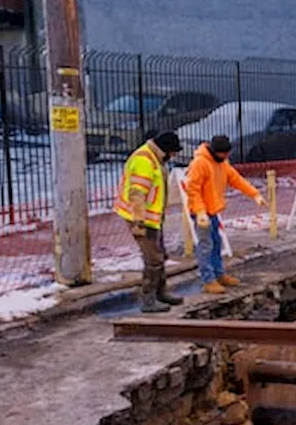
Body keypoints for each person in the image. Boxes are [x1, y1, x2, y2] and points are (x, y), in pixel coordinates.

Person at [184, 134, 266, 294]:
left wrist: (254, 194)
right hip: (202, 212)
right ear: (216, 151)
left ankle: (219, 274)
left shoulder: (222, 163)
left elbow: (236, 179)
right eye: (224, 154)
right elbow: (193, 189)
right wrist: (200, 212)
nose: (227, 157)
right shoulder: (200, 163)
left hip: (212, 211)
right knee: (206, 245)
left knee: (215, 243)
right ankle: (208, 280)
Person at [114, 130, 184, 313]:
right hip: (142, 219)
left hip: (152, 218)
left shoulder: (155, 158)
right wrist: (139, 223)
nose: (174, 155)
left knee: (160, 255)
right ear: (166, 149)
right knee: (153, 259)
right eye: (173, 152)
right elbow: (137, 195)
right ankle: (148, 299)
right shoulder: (145, 161)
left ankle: (160, 292)